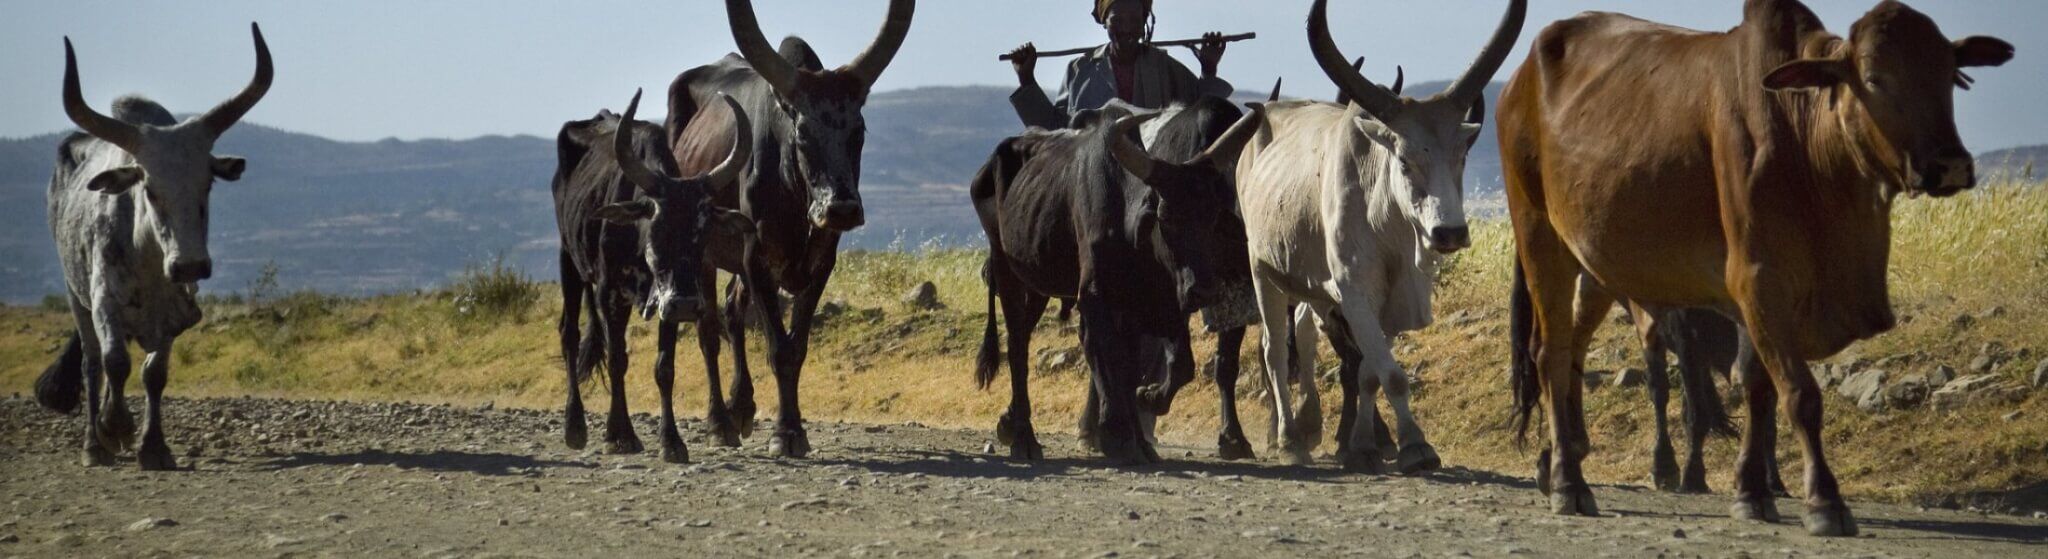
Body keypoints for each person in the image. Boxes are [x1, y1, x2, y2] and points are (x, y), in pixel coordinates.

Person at [1008, 0, 1233, 130]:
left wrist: (1208, 68)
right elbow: (1054, 131)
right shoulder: (1079, 71)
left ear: (1145, 22)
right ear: (1104, 21)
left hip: (1152, 187)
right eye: (1117, 20)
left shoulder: (1166, 69)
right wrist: (1026, 79)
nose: (1126, 28)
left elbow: (1204, 119)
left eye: (1135, 20)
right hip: (1091, 185)